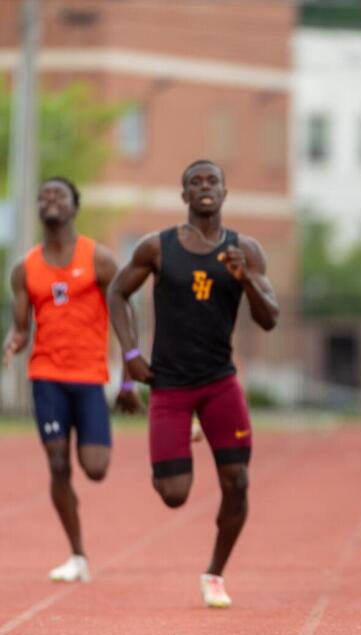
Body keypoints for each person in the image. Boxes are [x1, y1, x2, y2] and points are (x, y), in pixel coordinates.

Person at [107, 160, 278, 608]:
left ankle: (215, 574)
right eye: (195, 183)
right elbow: (117, 293)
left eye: (212, 181)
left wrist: (245, 279)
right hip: (170, 386)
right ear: (184, 195)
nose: (204, 188)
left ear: (224, 191)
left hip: (220, 383)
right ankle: (185, 430)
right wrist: (128, 356)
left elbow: (269, 319)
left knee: (237, 481)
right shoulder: (157, 248)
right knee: (173, 495)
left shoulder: (246, 249)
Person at [3, 177, 140, 582]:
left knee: (95, 468)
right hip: (46, 376)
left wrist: (130, 374)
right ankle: (78, 554)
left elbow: (124, 312)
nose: (50, 200)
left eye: (58, 194)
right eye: (43, 194)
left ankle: (90, 439)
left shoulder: (98, 258)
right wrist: (13, 341)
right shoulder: (24, 268)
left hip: (90, 376)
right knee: (58, 462)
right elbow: (22, 327)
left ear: (74, 206)